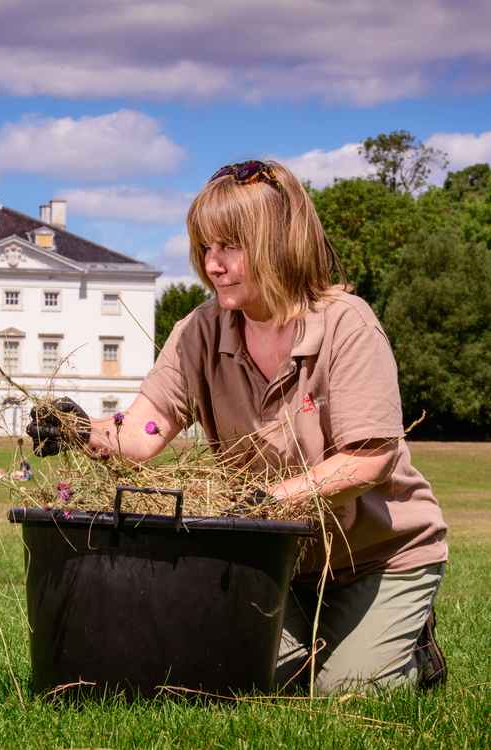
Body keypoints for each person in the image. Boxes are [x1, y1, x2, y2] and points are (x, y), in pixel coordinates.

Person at [27, 159, 448, 695]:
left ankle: (414, 646)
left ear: (278, 242)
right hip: (281, 562)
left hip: (376, 556)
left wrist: (269, 501)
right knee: (244, 677)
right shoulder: (200, 331)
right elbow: (141, 435)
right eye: (205, 248)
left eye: (229, 247)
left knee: (348, 693)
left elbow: (369, 459)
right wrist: (79, 428)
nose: (213, 264)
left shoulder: (347, 323)